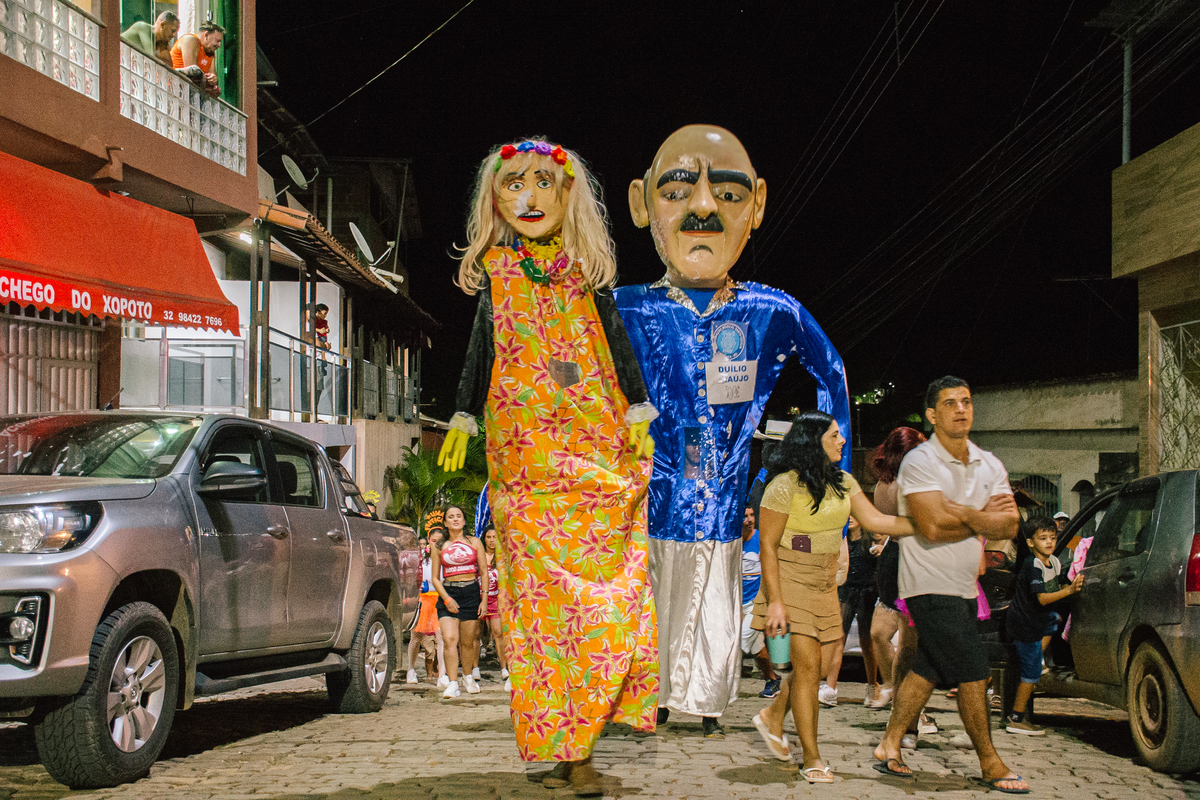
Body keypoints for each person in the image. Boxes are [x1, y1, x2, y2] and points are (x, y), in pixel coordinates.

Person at [615, 125, 851, 738]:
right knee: (652, 590)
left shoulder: (770, 311)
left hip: (722, 497)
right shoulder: (623, 308)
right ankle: (650, 696)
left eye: (727, 193)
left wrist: (830, 469)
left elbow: (830, 370)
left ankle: (706, 701)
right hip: (646, 495)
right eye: (677, 192)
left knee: (717, 594)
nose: (703, 207)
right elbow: (570, 378)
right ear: (641, 203)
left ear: (758, 205)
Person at [438, 139, 658, 795]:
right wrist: (462, 415)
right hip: (524, 461)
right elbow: (481, 347)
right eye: (514, 184)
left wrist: (639, 408)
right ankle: (564, 750)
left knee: (599, 603)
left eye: (543, 182)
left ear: (568, 195)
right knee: (538, 612)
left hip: (595, 455)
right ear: (496, 198)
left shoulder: (585, 274)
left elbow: (616, 341)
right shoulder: (499, 273)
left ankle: (581, 747)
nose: (529, 197)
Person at [872, 376, 1028, 794]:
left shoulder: (989, 463)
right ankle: (990, 762)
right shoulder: (920, 462)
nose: (961, 409)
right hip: (926, 582)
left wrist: (962, 512)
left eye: (966, 401)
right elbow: (931, 526)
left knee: (928, 668)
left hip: (964, 584)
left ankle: (889, 743)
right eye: (950, 403)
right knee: (973, 669)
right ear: (931, 414)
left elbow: (1010, 524)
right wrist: (980, 516)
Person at [753, 411, 913, 783]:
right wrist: (775, 601)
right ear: (813, 441)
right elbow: (767, 546)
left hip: (826, 583)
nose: (842, 440)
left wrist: (930, 525)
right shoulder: (783, 486)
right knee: (808, 670)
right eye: (834, 435)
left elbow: (876, 521)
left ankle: (773, 716)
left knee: (818, 668)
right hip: (790, 577)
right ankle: (811, 757)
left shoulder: (844, 482)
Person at [1005, 515, 1081, 735]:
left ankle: (1038, 659)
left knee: (1055, 620)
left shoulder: (1054, 562)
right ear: (1031, 542)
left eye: (1052, 538)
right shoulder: (1033, 565)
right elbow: (1042, 599)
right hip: (1025, 624)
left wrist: (1071, 585)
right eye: (1043, 538)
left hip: (1038, 620)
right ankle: (1016, 719)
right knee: (1031, 675)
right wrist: (1069, 590)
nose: (1049, 542)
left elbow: (1056, 587)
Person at [819, 515, 878, 708]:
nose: (850, 518)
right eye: (848, 515)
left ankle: (872, 687)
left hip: (867, 592)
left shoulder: (870, 540)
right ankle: (830, 689)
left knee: (866, 641)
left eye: (854, 514)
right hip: (847, 590)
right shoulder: (841, 540)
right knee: (839, 639)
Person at [431, 506, 487, 699]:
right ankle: (453, 682)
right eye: (451, 517)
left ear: (463, 521)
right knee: (449, 639)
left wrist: (484, 599)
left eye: (458, 516)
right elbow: (435, 578)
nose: (455, 519)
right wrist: (446, 598)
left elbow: (484, 572)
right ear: (445, 522)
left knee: (467, 642)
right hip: (448, 591)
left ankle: (468, 676)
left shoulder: (475, 542)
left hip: (471, 592)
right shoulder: (439, 545)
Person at [739, 504, 779, 698]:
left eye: (752, 515)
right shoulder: (733, 543)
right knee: (757, 647)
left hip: (757, 602)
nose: (750, 520)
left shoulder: (761, 540)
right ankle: (772, 679)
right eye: (745, 516)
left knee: (740, 640)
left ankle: (721, 683)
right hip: (736, 602)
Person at [479, 527, 510, 691]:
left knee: (498, 633)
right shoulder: (479, 556)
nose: (491, 540)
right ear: (484, 539)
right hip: (478, 598)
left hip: (496, 599)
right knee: (475, 635)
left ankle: (504, 668)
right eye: (488, 537)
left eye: (494, 537)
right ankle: (473, 669)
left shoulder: (502, 557)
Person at [170, 21, 223, 98]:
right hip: (174, 90)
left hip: (191, 95)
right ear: (206, 35)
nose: (219, 45)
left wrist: (213, 82)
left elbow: (213, 82)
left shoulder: (210, 51)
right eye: (217, 41)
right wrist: (208, 83)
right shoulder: (190, 40)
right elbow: (193, 76)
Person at [406, 589, 445, 686]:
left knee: (441, 637)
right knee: (416, 638)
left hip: (438, 598)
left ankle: (442, 674)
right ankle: (410, 670)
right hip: (421, 599)